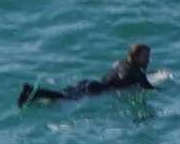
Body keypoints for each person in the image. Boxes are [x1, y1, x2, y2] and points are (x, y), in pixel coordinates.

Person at [19, 43, 153, 106]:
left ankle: (33, 94)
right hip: (96, 89)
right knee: (64, 97)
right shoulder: (136, 72)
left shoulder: (119, 63)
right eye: (145, 56)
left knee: (62, 93)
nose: (148, 59)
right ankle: (32, 91)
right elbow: (149, 88)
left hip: (91, 83)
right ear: (135, 57)